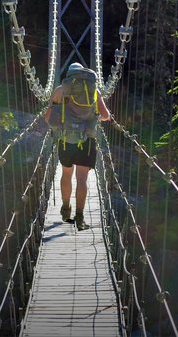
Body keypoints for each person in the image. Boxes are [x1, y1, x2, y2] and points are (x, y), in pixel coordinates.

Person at [44, 63, 111, 230]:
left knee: (66, 174)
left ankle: (66, 208)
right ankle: (80, 217)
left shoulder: (60, 91)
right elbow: (106, 116)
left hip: (66, 140)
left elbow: (48, 118)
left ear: (69, 75)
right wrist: (93, 117)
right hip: (87, 141)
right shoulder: (94, 91)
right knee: (82, 179)